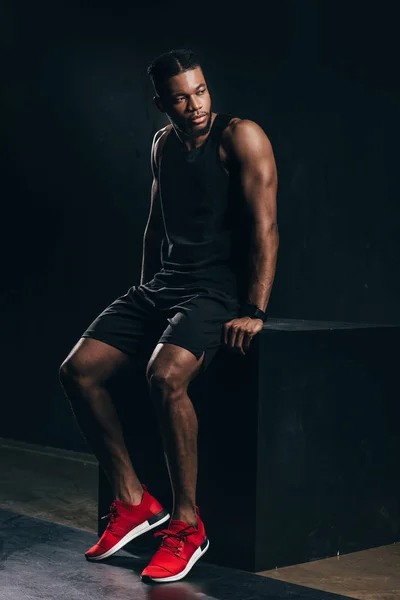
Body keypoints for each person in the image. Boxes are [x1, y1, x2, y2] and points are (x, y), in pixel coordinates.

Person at [59, 48, 279, 583]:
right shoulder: (162, 144)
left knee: (165, 376)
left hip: (218, 292)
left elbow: (264, 228)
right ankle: (133, 501)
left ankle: (187, 524)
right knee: (78, 371)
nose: (196, 105)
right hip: (164, 286)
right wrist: (143, 295)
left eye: (200, 91)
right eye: (181, 98)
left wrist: (254, 310)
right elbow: (156, 224)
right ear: (162, 104)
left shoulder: (240, 137)